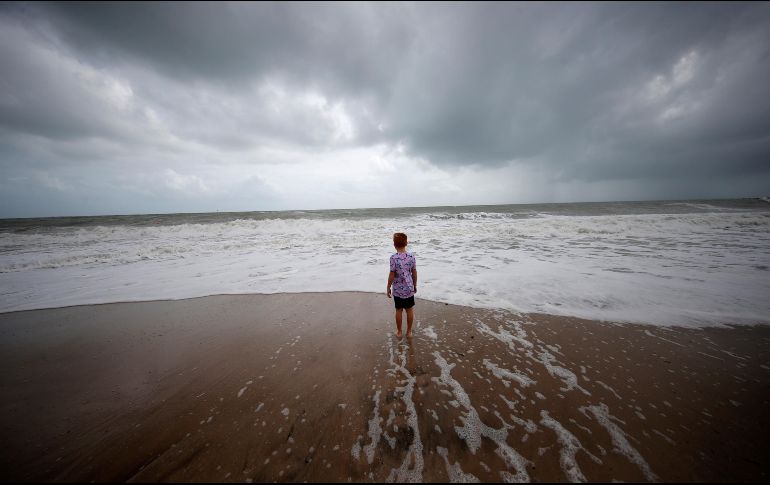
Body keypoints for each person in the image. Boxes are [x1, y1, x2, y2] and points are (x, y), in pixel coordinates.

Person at [386, 232, 417, 338]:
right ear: (406, 243)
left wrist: (388, 286)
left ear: (394, 245)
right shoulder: (411, 256)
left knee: (398, 310)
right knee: (409, 310)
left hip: (398, 289)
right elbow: (414, 272)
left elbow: (392, 274)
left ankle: (399, 332)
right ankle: (409, 332)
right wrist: (415, 285)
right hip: (409, 288)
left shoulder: (393, 258)